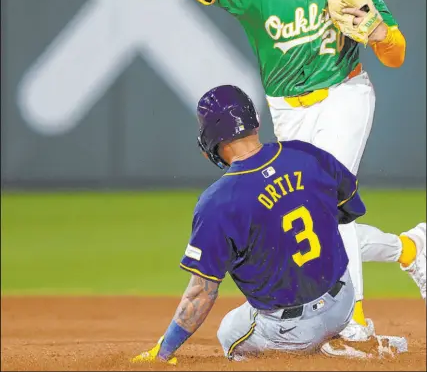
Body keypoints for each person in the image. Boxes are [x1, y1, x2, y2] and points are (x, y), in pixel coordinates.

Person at [132, 0, 425, 340]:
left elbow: (397, 54)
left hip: (343, 94)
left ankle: (354, 324)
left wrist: (379, 35)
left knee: (325, 207)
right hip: (287, 108)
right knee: (296, 212)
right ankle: (410, 249)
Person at [131, 85, 408, 365]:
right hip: (344, 300)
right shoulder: (307, 154)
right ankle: (335, 340)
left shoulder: (217, 201)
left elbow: (202, 291)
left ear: (210, 137)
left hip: (292, 331)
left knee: (229, 332)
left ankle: (311, 353)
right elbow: (348, 211)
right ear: (254, 121)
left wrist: (164, 351)